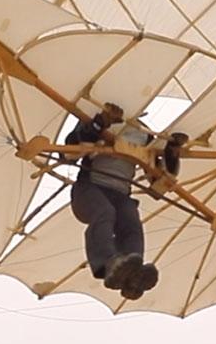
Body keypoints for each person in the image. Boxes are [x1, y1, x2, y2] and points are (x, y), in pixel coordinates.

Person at [65, 104, 182, 300]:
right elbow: (68, 153)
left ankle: (133, 272)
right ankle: (108, 261)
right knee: (105, 213)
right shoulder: (95, 122)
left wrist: (171, 151)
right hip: (90, 188)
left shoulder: (144, 135)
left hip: (121, 194)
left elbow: (158, 179)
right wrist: (98, 124)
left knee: (131, 222)